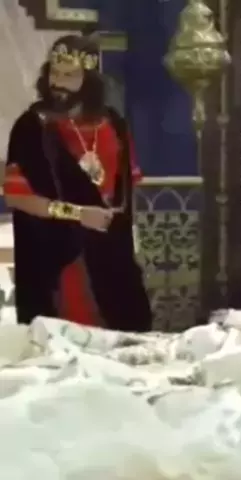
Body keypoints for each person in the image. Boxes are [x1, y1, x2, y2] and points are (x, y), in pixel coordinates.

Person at [3, 35, 152, 332]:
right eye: (55, 73)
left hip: (112, 251)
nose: (58, 83)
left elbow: (126, 188)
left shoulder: (114, 123)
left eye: (69, 75)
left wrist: (128, 234)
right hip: (57, 255)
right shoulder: (32, 126)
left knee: (123, 336)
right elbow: (16, 196)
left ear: (90, 79)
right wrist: (78, 213)